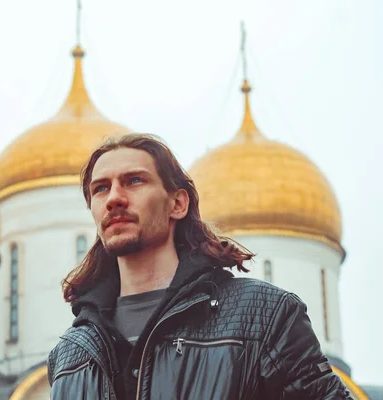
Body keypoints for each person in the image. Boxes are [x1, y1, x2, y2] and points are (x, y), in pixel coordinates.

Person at [47, 133, 352, 399]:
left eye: (134, 181)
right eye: (100, 188)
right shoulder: (70, 356)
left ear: (178, 204)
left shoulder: (263, 317)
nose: (114, 198)